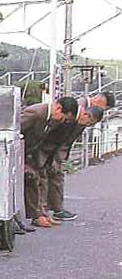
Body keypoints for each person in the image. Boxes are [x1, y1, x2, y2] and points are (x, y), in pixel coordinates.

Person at [40, 92, 114, 221]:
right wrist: (57, 154)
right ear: (99, 101)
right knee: (44, 177)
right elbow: (61, 131)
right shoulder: (79, 107)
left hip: (59, 149)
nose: (104, 110)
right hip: (51, 147)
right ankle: (42, 212)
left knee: (56, 177)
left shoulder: (88, 110)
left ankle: (55, 209)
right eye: (105, 108)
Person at [20, 97, 78, 228]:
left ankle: (39, 214)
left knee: (34, 179)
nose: (62, 121)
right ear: (58, 108)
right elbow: (14, 130)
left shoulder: (50, 118)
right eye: (63, 117)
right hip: (18, 153)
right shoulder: (36, 113)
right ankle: (33, 216)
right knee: (29, 179)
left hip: (29, 154)